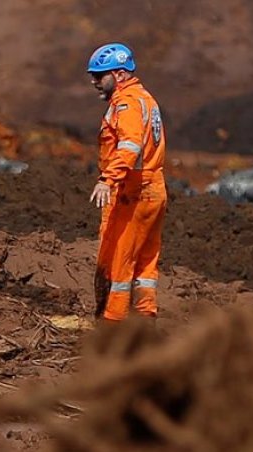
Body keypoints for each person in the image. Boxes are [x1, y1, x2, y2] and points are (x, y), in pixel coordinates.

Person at [86, 42, 167, 325]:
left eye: (100, 75)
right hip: (153, 188)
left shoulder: (128, 103)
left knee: (120, 260)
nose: (94, 82)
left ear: (119, 74)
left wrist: (108, 179)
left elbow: (129, 146)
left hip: (135, 191)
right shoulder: (145, 99)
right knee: (145, 260)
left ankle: (113, 325)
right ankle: (145, 321)